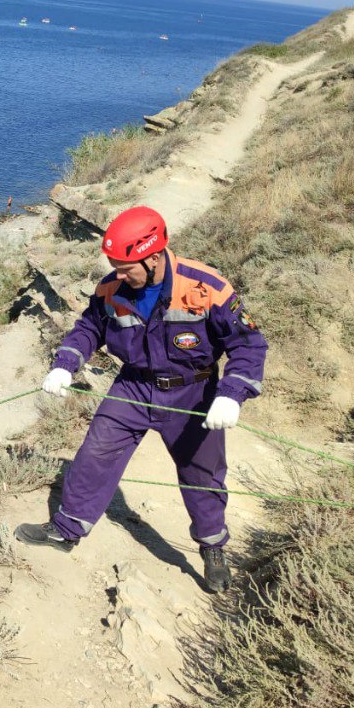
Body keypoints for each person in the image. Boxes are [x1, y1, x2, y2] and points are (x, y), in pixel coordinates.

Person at [14, 206, 267, 593]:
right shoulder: (111, 289)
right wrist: (65, 363)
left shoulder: (205, 288)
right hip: (132, 386)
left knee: (202, 476)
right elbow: (88, 329)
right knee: (95, 452)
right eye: (113, 265)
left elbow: (248, 344)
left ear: (152, 257)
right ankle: (66, 530)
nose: (118, 274)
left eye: (125, 267)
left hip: (192, 391)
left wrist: (231, 394)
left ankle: (213, 547)